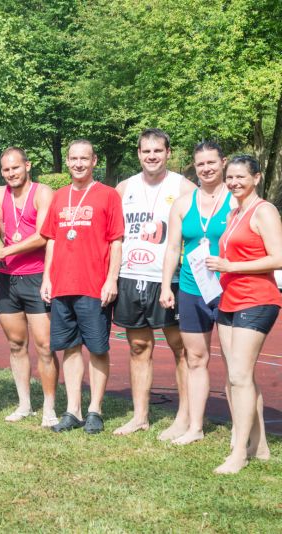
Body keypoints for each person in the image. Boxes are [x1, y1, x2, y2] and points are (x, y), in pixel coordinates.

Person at [112, 128, 195, 438]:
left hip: (169, 279)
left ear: (168, 153)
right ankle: (140, 416)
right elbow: (113, 235)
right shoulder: (124, 188)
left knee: (180, 348)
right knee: (138, 347)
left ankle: (184, 418)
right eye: (146, 151)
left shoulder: (184, 187)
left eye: (157, 151)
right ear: (138, 154)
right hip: (131, 277)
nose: (152, 156)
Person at [40, 140, 124, 434]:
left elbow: (116, 241)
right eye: (74, 158)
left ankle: (95, 410)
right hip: (63, 284)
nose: (78, 164)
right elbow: (52, 240)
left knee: (98, 349)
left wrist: (111, 279)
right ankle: (73, 409)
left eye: (84, 159)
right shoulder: (59, 196)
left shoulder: (108, 195)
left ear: (94, 161)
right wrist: (47, 277)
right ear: (68, 161)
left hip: (94, 285)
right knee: (70, 347)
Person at [205, 155, 281, 474]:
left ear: (257, 178)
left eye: (241, 177)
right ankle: (259, 446)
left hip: (257, 300)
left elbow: (279, 257)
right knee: (237, 376)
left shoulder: (264, 211)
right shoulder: (233, 213)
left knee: (239, 375)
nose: (234, 182)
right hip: (229, 300)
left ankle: (239, 453)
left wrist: (231, 266)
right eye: (230, 177)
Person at [160, 141, 233, 445]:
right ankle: (195, 427)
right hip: (191, 289)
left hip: (228, 289)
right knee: (195, 358)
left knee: (234, 364)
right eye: (200, 164)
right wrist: (166, 285)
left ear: (223, 162)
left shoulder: (236, 200)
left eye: (211, 162)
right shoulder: (183, 203)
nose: (206, 168)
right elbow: (172, 248)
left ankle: (242, 431)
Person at [0, 148, 58, 426]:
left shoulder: (42, 193)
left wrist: (5, 250)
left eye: (15, 168)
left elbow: (43, 236)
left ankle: (49, 407)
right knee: (16, 344)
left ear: (27, 165)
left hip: (36, 276)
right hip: (7, 278)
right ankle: (24, 404)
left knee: (45, 346)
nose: (11, 173)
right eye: (6, 169)